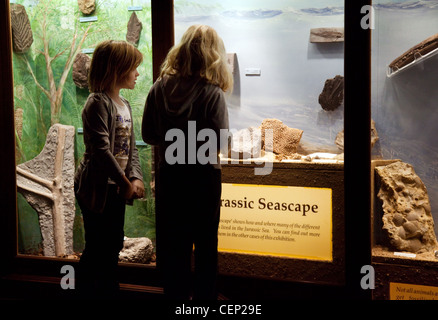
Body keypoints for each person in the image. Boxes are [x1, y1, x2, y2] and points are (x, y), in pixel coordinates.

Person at [142, 24, 233, 300]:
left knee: (173, 250)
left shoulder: (158, 88)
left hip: (171, 177)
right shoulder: (212, 93)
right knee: (206, 248)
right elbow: (222, 142)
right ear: (213, 53)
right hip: (204, 178)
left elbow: (148, 135)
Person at [74, 40, 145, 298]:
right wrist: (125, 183)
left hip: (116, 188)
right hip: (96, 188)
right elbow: (101, 151)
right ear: (117, 69)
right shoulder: (97, 103)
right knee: (97, 246)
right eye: (133, 68)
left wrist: (135, 176)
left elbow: (132, 148)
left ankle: (106, 290)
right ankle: (87, 291)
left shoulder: (124, 104)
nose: (137, 73)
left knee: (113, 242)